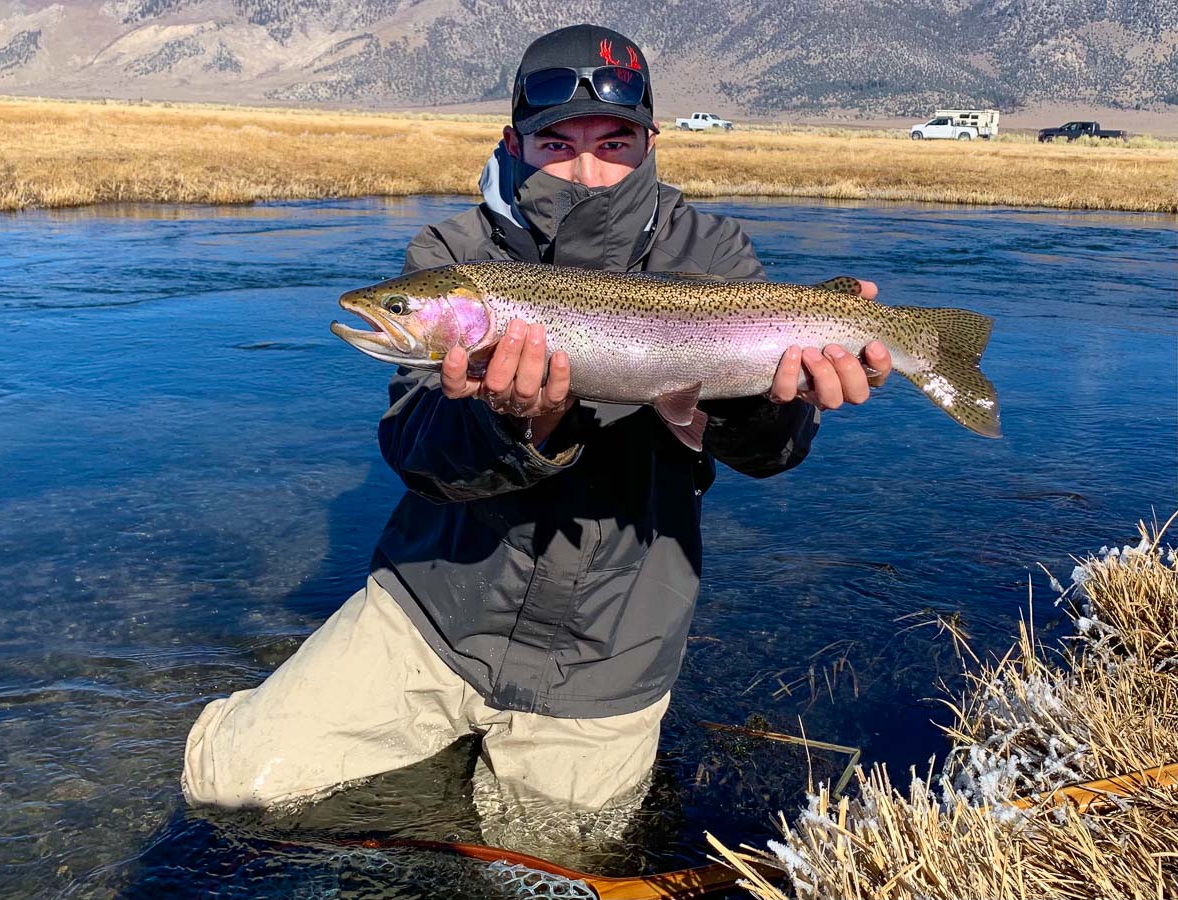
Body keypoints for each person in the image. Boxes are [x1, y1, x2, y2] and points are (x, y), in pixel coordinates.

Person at [182, 24, 891, 851]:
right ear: (511, 143)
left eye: (614, 142)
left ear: (650, 141)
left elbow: (771, 454)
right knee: (228, 785)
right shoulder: (455, 253)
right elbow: (416, 455)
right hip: (433, 613)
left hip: (607, 654)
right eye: (557, 142)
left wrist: (776, 405)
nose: (587, 170)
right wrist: (516, 421)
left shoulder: (711, 253)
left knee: (541, 864)